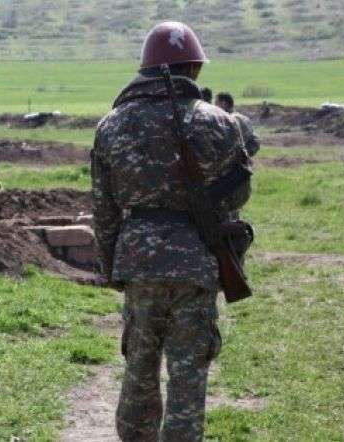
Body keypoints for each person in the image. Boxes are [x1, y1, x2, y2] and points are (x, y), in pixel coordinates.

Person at [91, 21, 253, 441]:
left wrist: (112, 268)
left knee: (139, 370)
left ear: (145, 69)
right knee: (188, 376)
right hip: (197, 263)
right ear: (194, 69)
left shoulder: (111, 125)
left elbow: (104, 211)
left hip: (138, 262)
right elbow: (239, 194)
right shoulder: (220, 122)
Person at [215, 92, 260, 157]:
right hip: (249, 146)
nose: (215, 107)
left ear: (224, 104)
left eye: (216, 103)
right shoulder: (239, 116)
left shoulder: (233, 118)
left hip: (246, 148)